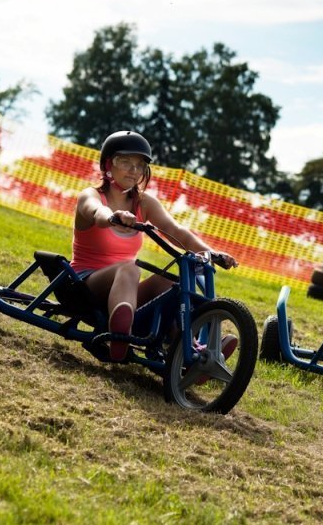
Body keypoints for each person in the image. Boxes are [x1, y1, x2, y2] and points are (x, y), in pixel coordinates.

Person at [70, 130, 238, 361]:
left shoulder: (144, 203)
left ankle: (191, 350)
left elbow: (177, 232)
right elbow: (96, 211)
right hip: (86, 283)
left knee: (170, 282)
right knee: (130, 268)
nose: (134, 170)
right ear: (108, 164)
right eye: (125, 162)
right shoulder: (91, 195)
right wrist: (113, 217)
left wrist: (211, 253)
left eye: (140, 165)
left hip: (125, 290)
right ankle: (118, 337)